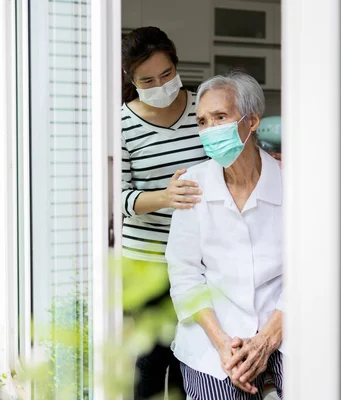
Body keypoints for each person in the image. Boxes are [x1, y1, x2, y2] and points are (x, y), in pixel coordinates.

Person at [166, 72, 285, 400]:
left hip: (284, 321)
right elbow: (185, 275)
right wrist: (222, 345)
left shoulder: (291, 182)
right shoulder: (192, 184)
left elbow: (310, 269)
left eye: (221, 117)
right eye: (203, 121)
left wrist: (267, 340)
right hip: (214, 333)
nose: (210, 129)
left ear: (252, 121)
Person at [121, 26, 208, 399]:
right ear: (131, 78)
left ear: (176, 63)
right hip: (148, 265)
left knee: (199, 360)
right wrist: (165, 196)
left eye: (167, 74)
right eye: (148, 79)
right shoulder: (121, 123)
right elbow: (118, 198)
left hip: (204, 258)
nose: (160, 84)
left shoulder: (203, 108)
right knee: (152, 365)